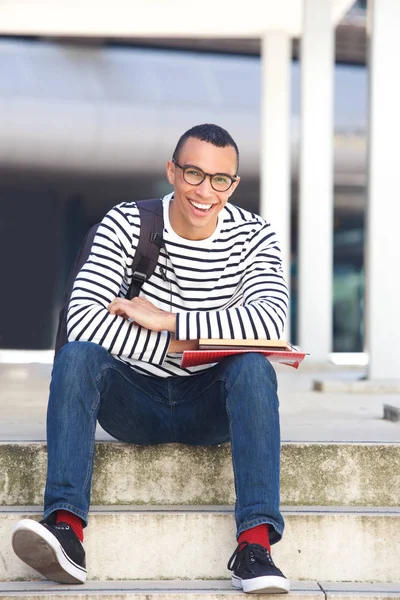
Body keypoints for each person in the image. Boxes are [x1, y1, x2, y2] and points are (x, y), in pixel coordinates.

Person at [12, 123, 289, 595]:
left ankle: (255, 546)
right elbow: (82, 321)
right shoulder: (125, 223)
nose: (205, 191)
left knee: (253, 367)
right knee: (78, 357)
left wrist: (171, 320)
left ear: (234, 184)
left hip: (211, 405)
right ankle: (65, 532)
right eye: (194, 174)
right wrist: (184, 348)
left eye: (220, 179)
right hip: (133, 401)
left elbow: (269, 326)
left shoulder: (254, 236)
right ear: (171, 171)